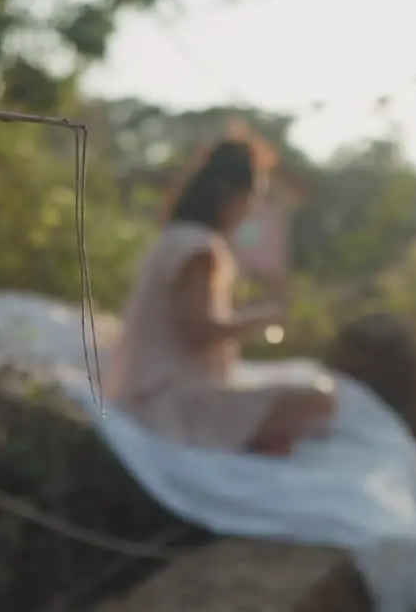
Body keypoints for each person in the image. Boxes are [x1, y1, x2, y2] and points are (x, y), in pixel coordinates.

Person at [104, 137, 337, 456]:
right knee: (321, 399)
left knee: (307, 381)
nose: (250, 210)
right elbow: (200, 331)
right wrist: (263, 317)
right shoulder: (200, 248)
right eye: (250, 198)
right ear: (228, 194)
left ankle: (254, 434)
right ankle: (246, 436)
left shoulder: (177, 237)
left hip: (150, 393)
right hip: (168, 406)